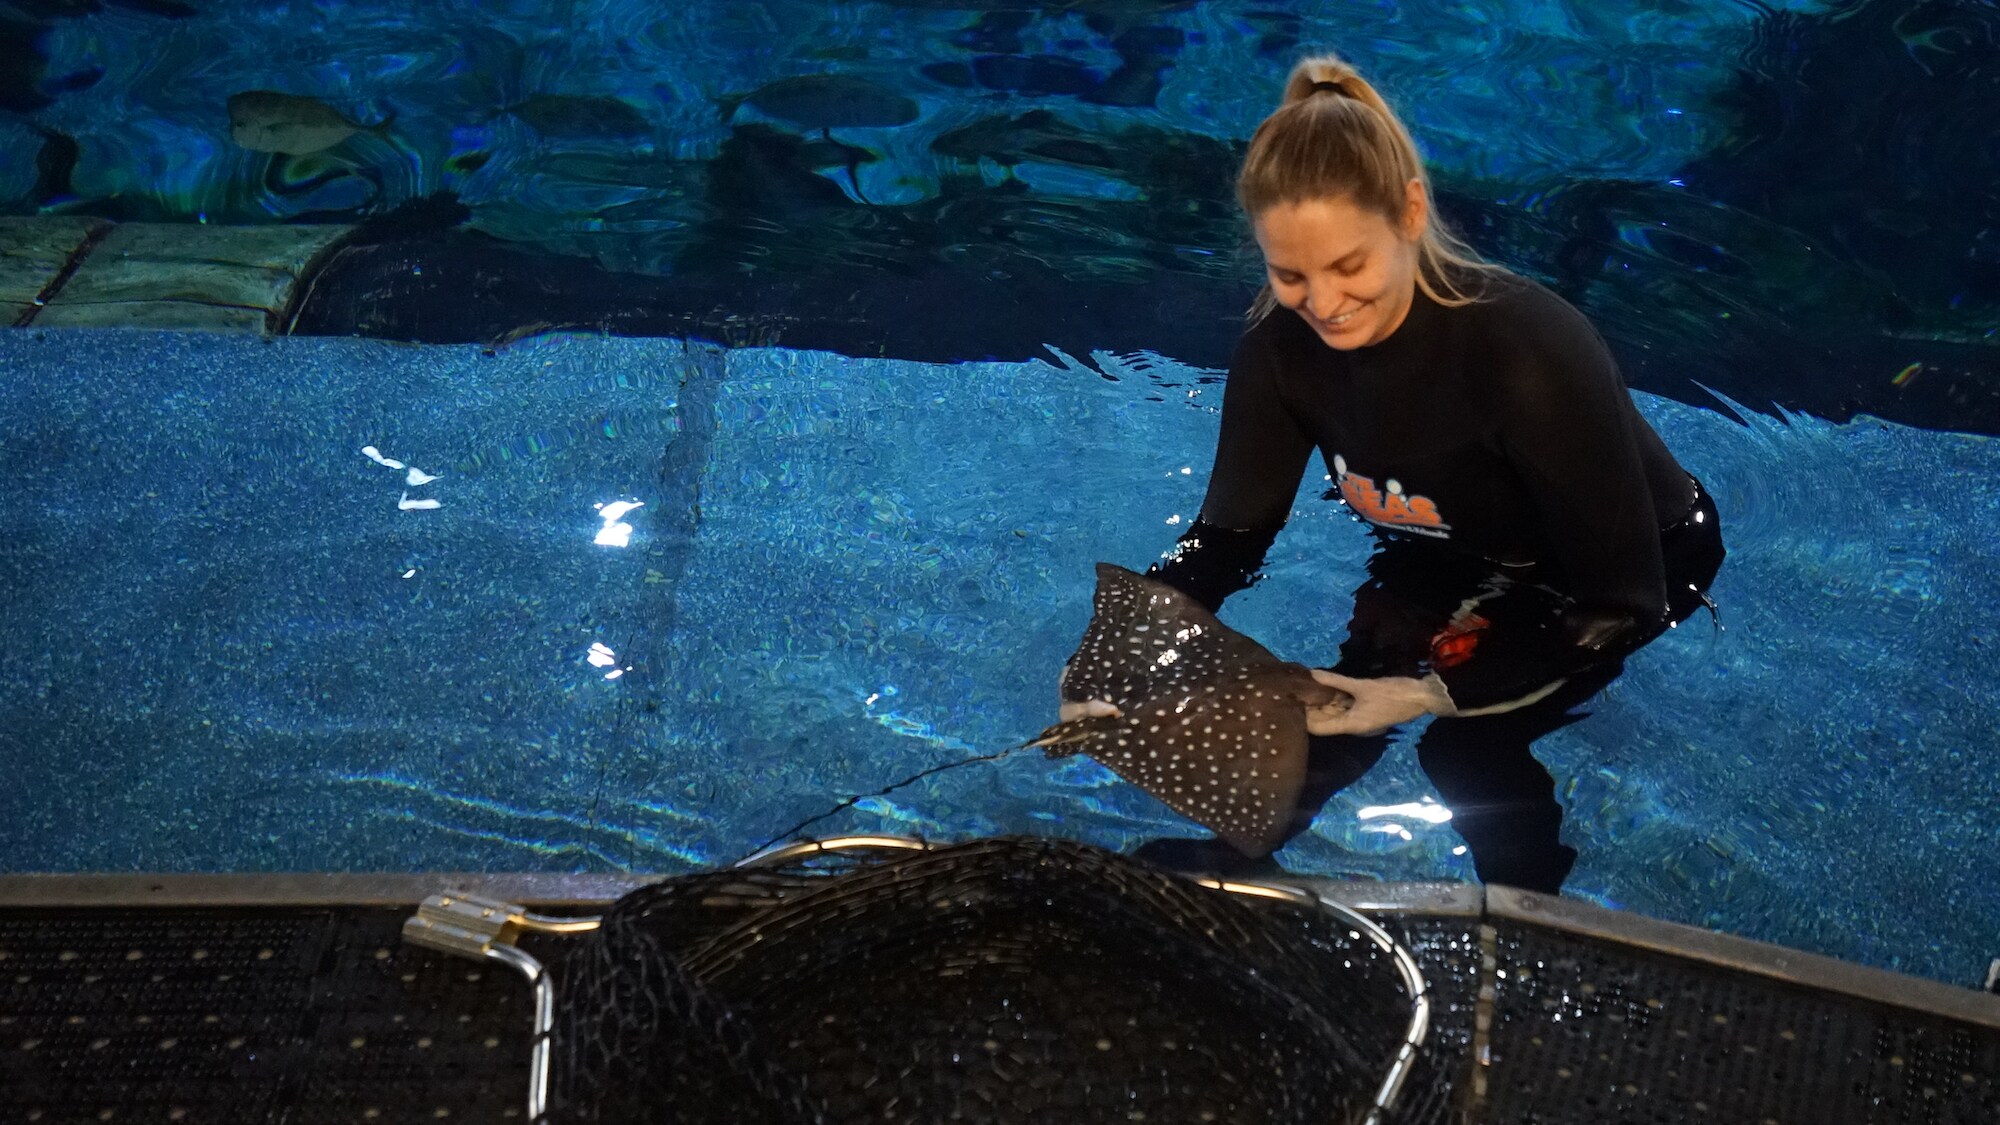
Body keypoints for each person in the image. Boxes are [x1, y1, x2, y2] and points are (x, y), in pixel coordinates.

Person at [1118, 53, 1726, 893]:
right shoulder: (1278, 356)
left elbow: (1623, 601)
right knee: (1335, 697)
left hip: (1627, 564)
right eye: (1289, 274)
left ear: (1408, 213)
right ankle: (1235, 858)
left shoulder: (1526, 351)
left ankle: (1528, 920)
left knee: (1465, 745)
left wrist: (1426, 692)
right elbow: (1225, 539)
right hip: (1446, 541)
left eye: (1348, 266)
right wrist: (1128, 659)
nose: (1322, 303)